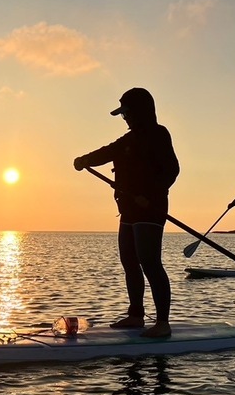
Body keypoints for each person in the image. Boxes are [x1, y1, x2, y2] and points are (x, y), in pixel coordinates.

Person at [73, 87, 179, 338]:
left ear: (142, 111)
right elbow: (107, 152)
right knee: (129, 261)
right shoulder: (128, 140)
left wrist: (150, 195)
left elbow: (172, 171)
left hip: (150, 209)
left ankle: (162, 323)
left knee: (150, 262)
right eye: (123, 115)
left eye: (127, 113)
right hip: (128, 209)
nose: (126, 118)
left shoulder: (158, 134)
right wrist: (84, 159)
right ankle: (136, 315)